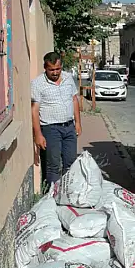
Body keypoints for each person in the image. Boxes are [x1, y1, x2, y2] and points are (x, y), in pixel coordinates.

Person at [31, 52, 82, 188]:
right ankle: (52, 197)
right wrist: (38, 134)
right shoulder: (38, 83)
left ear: (61, 66)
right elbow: (35, 110)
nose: (55, 72)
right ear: (45, 68)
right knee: (53, 164)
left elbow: (74, 99)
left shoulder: (68, 78)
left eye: (58, 69)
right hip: (50, 129)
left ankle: (67, 193)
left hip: (69, 127)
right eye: (51, 69)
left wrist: (78, 123)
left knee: (70, 162)